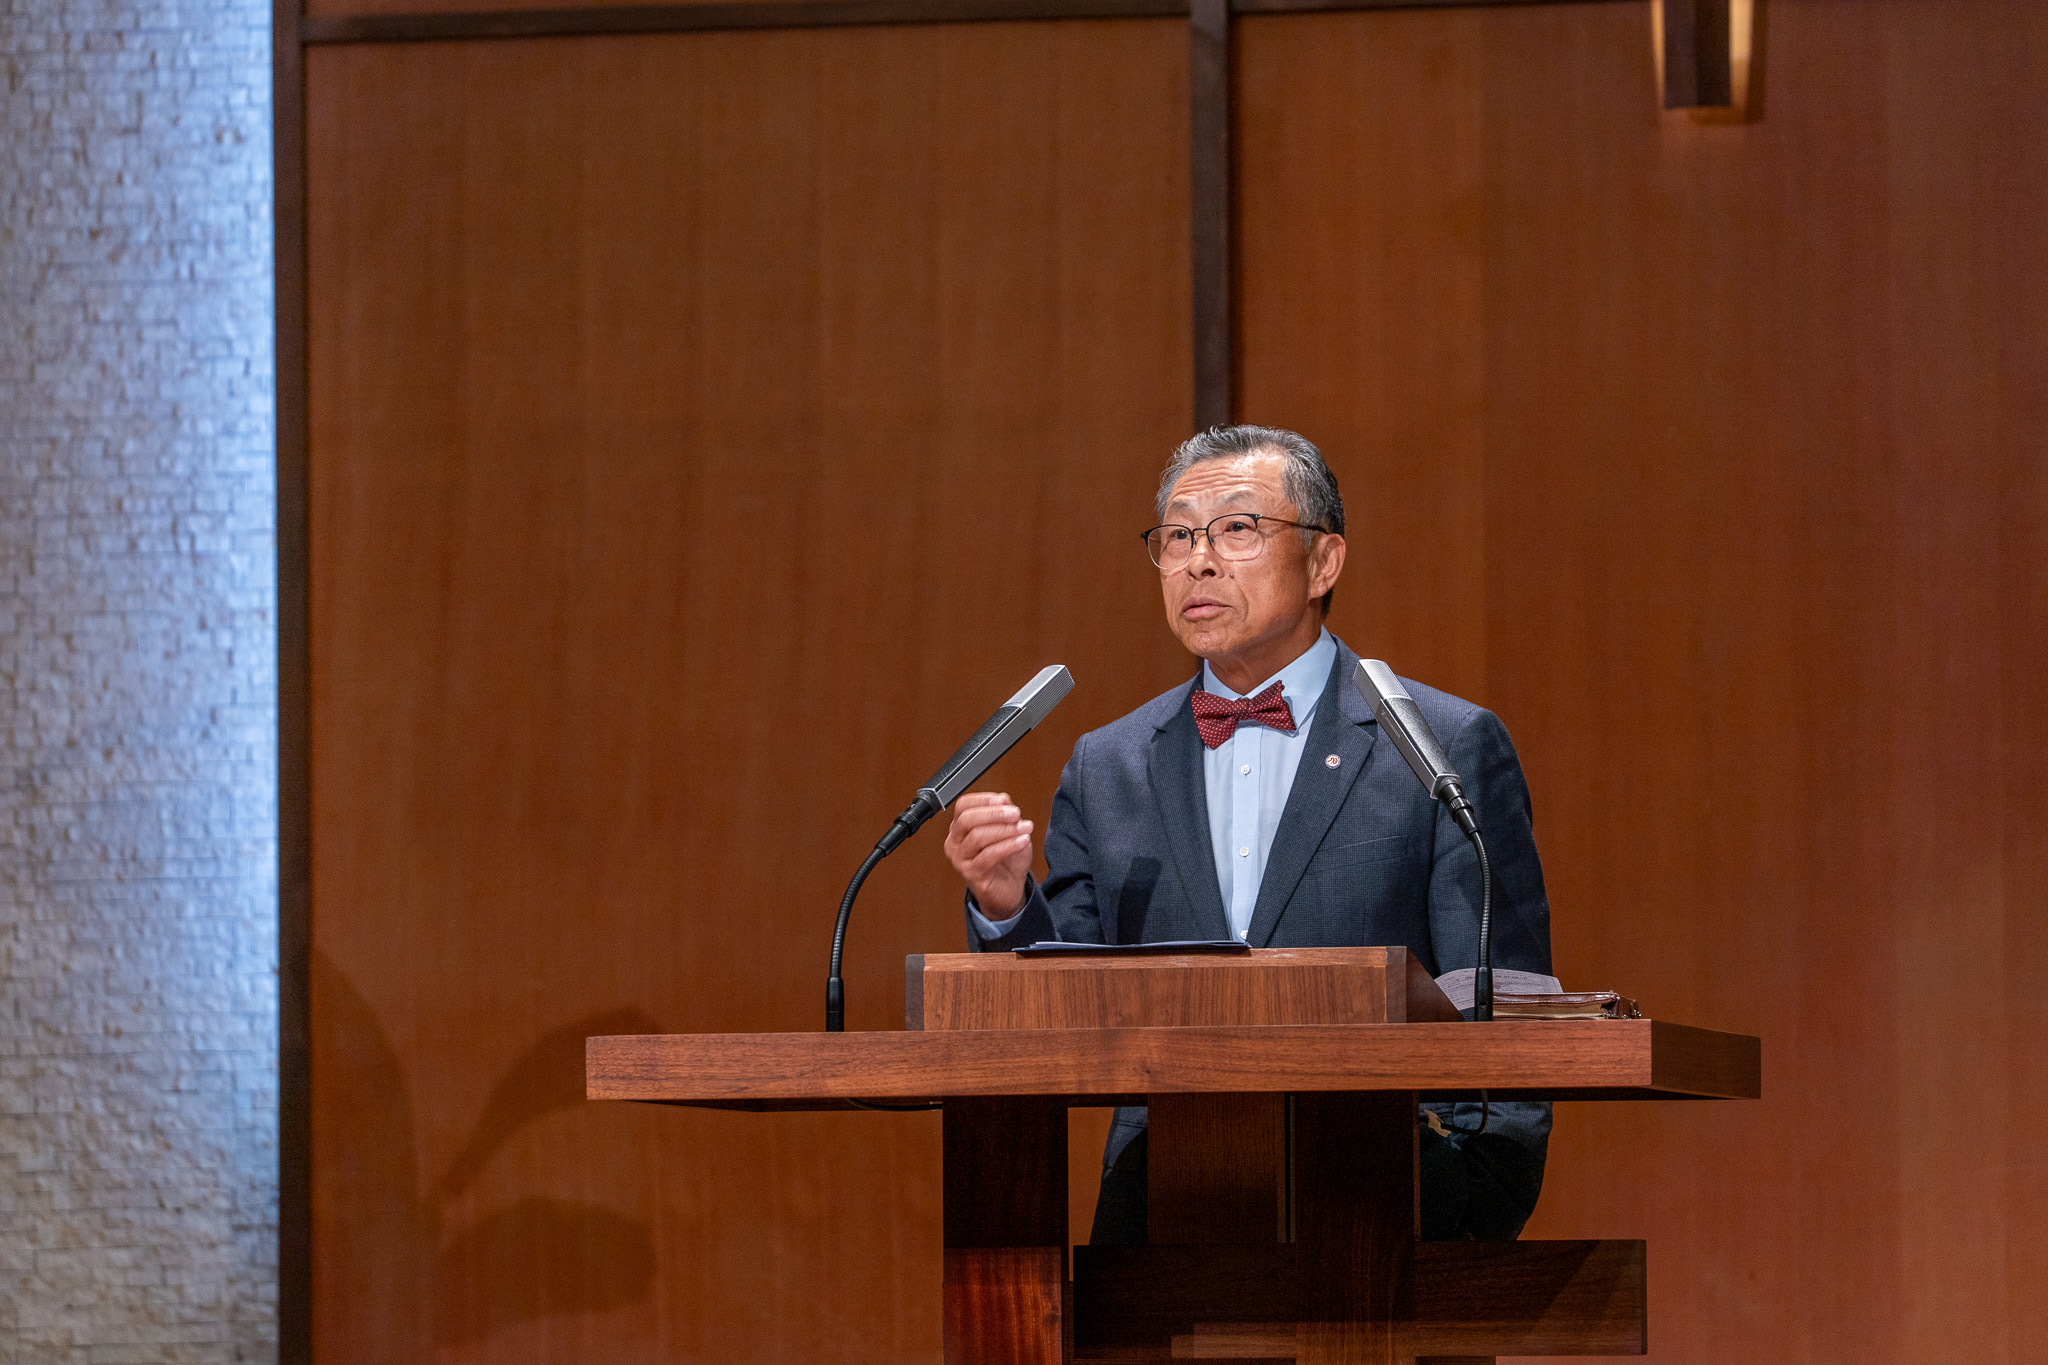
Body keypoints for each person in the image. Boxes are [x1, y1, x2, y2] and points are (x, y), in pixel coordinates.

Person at [941, 425, 1554, 1242]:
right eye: (1177, 536)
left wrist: (1471, 1205)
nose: (1199, 560)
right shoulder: (1108, 765)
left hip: (1386, 1211)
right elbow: (1062, 1012)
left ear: (1324, 561)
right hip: (1161, 1214)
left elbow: (1504, 1005)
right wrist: (1006, 903)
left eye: (1236, 528)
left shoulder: (1440, 746)